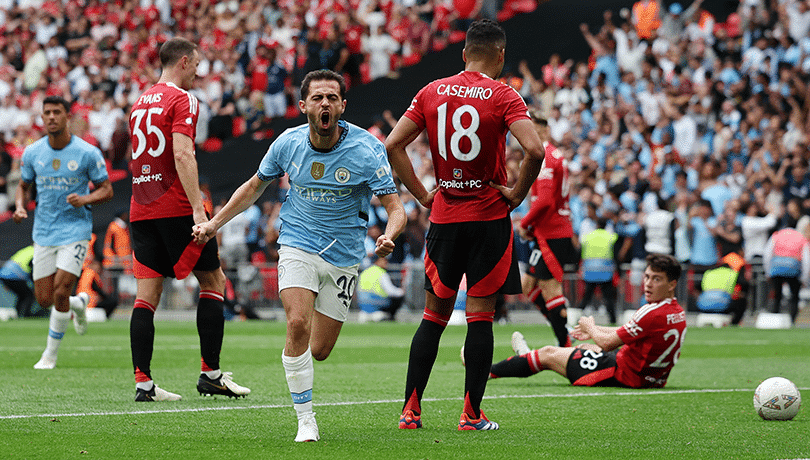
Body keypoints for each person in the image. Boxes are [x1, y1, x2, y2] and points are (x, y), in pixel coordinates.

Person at [193, 69, 405, 442]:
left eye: (332, 98)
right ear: (304, 105)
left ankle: (303, 376)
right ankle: (305, 419)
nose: (326, 104)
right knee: (296, 325)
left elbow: (396, 207)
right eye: (318, 97)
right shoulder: (287, 143)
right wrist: (214, 224)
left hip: (344, 255)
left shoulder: (368, 149)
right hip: (297, 244)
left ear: (342, 106)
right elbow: (252, 189)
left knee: (320, 350)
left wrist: (389, 234)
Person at [385, 19, 545, 431]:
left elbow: (392, 144)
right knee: (480, 317)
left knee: (433, 317)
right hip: (489, 217)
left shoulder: (432, 91)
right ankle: (471, 415)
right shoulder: (504, 94)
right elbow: (535, 149)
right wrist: (517, 194)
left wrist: (423, 195)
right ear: (501, 55)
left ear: (463, 54)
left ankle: (410, 412)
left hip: (444, 217)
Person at [128, 37, 250, 403]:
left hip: (140, 206)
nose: (199, 71)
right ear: (183, 61)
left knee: (145, 296)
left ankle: (144, 383)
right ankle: (210, 374)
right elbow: (183, 154)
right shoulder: (183, 99)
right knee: (214, 280)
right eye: (196, 64)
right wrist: (199, 210)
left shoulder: (139, 101)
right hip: (176, 205)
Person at [13, 95, 113, 369]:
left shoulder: (86, 153)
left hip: (75, 230)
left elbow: (107, 189)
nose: (51, 117)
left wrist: (85, 199)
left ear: (68, 116)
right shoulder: (33, 153)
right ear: (42, 117)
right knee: (44, 299)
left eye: (57, 112)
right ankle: (78, 304)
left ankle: (50, 355)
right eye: (47, 113)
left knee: (59, 291)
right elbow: (23, 186)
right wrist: (21, 207)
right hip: (44, 231)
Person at [489, 254, 686, 389]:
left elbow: (608, 344)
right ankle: (524, 360)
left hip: (621, 374)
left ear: (672, 284)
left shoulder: (651, 311)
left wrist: (591, 327)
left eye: (657, 279)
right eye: (647, 277)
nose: (648, 284)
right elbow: (629, 331)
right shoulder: (676, 311)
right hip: (653, 379)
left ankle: (488, 371)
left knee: (549, 354)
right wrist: (595, 331)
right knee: (585, 347)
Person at [517, 112, 577, 347]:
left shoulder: (543, 156)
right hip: (549, 232)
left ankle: (566, 344)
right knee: (528, 286)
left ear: (539, 129)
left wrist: (525, 223)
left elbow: (545, 201)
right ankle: (562, 327)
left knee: (550, 288)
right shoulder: (554, 154)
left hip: (553, 233)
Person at [763, 227, 810, 325]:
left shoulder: (776, 235)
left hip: (776, 268)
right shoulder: (801, 237)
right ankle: (791, 320)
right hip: (793, 268)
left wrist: (768, 273)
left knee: (776, 295)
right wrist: (804, 279)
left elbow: (767, 254)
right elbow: (806, 260)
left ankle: (774, 318)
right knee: (794, 296)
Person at [578, 218, 620, 325]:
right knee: (608, 298)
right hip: (605, 271)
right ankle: (613, 320)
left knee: (586, 297)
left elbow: (580, 249)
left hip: (590, 271)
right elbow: (616, 252)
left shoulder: (588, 236)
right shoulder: (610, 237)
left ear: (596, 224)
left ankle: (576, 317)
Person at [696, 252, 747, 326]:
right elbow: (744, 284)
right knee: (742, 300)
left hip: (703, 305)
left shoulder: (709, 273)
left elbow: (697, 287)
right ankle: (734, 324)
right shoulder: (732, 273)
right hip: (722, 305)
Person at [357, 254, 405, 322]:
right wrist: (401, 291)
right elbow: (390, 291)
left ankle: (368, 314)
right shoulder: (381, 273)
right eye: (384, 260)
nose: (386, 262)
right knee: (399, 297)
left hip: (362, 303)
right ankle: (389, 317)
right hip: (378, 302)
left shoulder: (365, 271)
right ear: (377, 261)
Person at [0, 245, 38, 317]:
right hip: (14, 276)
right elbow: (32, 270)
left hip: (4, 274)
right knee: (28, 295)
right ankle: (25, 315)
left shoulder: (28, 249)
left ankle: (18, 314)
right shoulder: (36, 253)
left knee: (23, 295)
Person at [102, 208, 131, 273]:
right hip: (115, 262)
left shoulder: (124, 227)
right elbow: (109, 244)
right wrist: (113, 258)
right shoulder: (113, 227)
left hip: (125, 261)